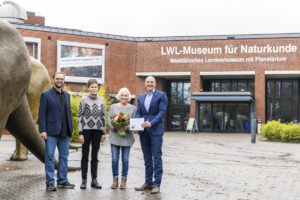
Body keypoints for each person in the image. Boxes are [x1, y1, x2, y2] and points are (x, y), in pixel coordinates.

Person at [38, 72, 75, 191]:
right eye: (58, 78)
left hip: (64, 133)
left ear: (64, 80)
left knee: (64, 157)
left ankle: (62, 181)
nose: (60, 80)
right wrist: (42, 130)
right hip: (51, 133)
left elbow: (68, 114)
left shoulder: (67, 96)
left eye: (62, 79)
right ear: (53, 79)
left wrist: (71, 129)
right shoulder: (46, 95)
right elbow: (42, 114)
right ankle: (50, 183)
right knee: (49, 157)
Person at [135, 76, 168, 194]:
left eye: (151, 82)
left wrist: (152, 123)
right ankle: (148, 182)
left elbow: (162, 111)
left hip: (155, 131)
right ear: (145, 83)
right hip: (143, 131)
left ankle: (156, 184)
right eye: (147, 82)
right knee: (147, 158)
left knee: (157, 158)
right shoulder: (141, 96)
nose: (149, 83)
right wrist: (136, 124)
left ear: (155, 84)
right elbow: (138, 111)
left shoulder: (161, 95)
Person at [78, 79, 105, 189]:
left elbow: (103, 116)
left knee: (95, 156)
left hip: (98, 130)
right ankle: (84, 180)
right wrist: (80, 133)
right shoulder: (83, 100)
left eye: (95, 87)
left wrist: (103, 132)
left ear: (98, 88)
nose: (94, 88)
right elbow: (80, 117)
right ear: (88, 88)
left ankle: (94, 180)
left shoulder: (102, 100)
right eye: (92, 87)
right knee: (85, 155)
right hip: (86, 130)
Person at [108, 88, 136, 190]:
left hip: (127, 138)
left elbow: (134, 122)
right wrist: (116, 127)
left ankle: (124, 181)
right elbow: (109, 121)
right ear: (119, 96)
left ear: (128, 97)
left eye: (126, 96)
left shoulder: (133, 108)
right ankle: (115, 180)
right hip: (115, 137)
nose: (124, 97)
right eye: (122, 95)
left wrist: (126, 127)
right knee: (115, 159)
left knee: (125, 160)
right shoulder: (112, 107)